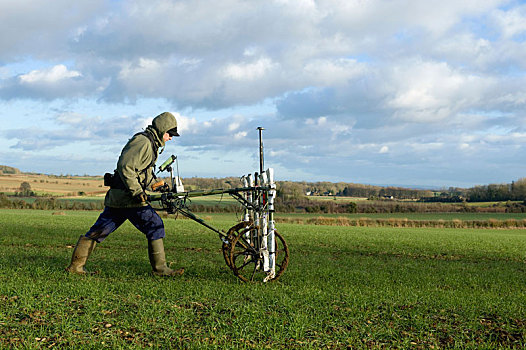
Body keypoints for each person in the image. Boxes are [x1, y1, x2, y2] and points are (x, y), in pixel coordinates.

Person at [66, 112, 184, 276]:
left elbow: (143, 173)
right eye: (169, 134)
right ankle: (161, 270)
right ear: (162, 129)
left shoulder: (151, 144)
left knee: (99, 231)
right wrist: (137, 192)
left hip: (120, 198)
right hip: (129, 198)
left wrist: (157, 185)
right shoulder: (143, 142)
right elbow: (125, 166)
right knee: (155, 225)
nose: (170, 138)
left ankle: (75, 267)